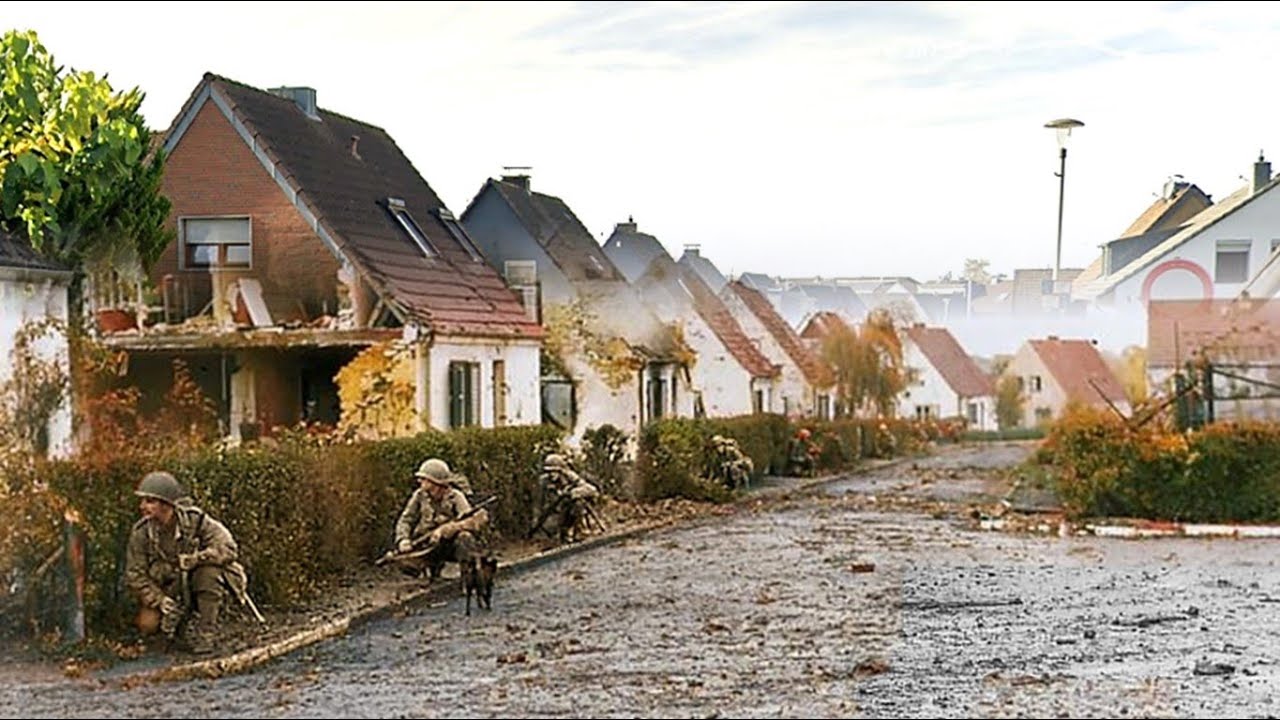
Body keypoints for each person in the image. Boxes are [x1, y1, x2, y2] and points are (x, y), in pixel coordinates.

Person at [124, 471, 246, 655]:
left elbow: (228, 547)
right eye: (143, 501)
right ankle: (175, 632)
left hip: (195, 580)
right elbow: (135, 574)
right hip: (167, 587)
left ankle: (207, 633)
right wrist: (160, 600)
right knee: (148, 624)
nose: (143, 506)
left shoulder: (195, 520)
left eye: (150, 501)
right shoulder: (141, 532)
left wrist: (197, 559)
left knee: (209, 573)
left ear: (166, 504)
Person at [393, 458, 489, 581]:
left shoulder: (455, 496)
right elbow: (406, 519)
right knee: (402, 560)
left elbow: (471, 521)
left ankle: (468, 575)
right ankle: (430, 571)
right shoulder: (419, 496)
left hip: (449, 544)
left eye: (424, 479)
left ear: (435, 482)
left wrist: (447, 529)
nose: (420, 481)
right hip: (426, 544)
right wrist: (403, 539)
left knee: (465, 537)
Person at [531, 453, 599, 544]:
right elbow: (538, 504)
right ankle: (562, 535)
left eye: (554, 471)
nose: (552, 474)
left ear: (560, 471)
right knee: (548, 535)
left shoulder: (570, 476)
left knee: (578, 503)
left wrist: (573, 493)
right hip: (554, 513)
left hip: (568, 510)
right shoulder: (543, 482)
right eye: (549, 472)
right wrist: (536, 521)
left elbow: (591, 490)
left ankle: (580, 531)